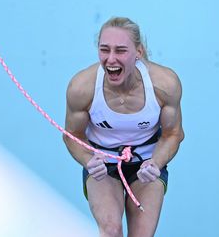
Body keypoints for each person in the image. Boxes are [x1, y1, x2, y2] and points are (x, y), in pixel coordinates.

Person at [63, 17, 184, 237]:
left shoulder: (165, 84)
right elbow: (72, 134)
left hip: (147, 164)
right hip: (104, 165)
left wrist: (156, 163)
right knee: (111, 230)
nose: (111, 59)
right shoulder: (81, 87)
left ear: (138, 52)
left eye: (120, 51)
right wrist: (88, 160)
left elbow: (173, 133)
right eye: (104, 50)